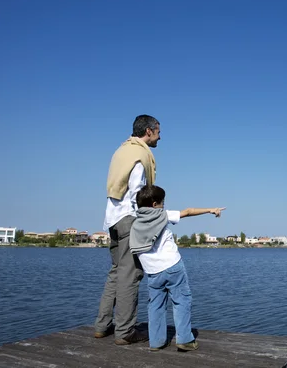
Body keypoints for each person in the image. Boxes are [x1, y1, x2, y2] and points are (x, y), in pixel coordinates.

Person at [130, 184, 225, 351]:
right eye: (162, 202)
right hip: (173, 266)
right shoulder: (162, 214)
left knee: (155, 306)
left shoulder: (135, 224)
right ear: (154, 204)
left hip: (152, 272)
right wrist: (211, 209)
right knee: (181, 301)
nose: (164, 205)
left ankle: (156, 342)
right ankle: (184, 339)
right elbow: (188, 211)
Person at [94, 115, 161, 345]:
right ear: (149, 131)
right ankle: (125, 332)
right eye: (158, 132)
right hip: (128, 219)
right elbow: (137, 194)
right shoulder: (139, 155)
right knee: (130, 275)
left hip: (112, 219)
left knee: (116, 271)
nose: (160, 137)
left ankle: (102, 326)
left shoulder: (121, 150)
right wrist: (147, 222)